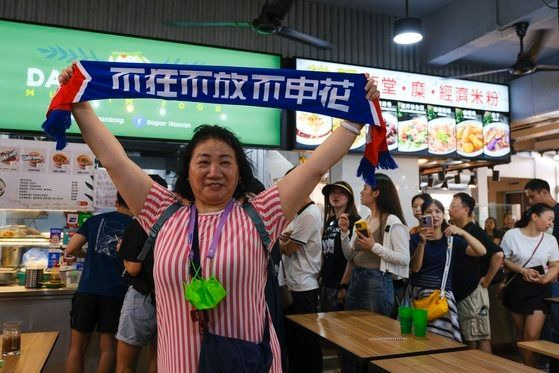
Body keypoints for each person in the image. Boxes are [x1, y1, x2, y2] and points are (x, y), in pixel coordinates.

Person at [58, 64, 380, 372]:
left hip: (246, 364)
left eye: (226, 162)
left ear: (239, 172)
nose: (214, 172)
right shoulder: (161, 210)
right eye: (204, 162)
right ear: (188, 171)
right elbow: (114, 159)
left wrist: (353, 122)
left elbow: (313, 167)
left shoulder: (261, 213)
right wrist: (80, 104)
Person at [64, 193, 133, 373]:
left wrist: (88, 255)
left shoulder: (95, 220)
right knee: (108, 348)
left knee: (76, 348)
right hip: (116, 293)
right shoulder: (137, 227)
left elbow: (70, 249)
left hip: (87, 289)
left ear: (116, 203)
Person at [409, 199, 486, 342]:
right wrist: (422, 243)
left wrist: (462, 232)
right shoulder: (414, 239)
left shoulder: (451, 240)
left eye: (438, 211)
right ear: (422, 216)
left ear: (443, 215)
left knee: (443, 341)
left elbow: (481, 251)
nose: (434, 215)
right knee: (417, 340)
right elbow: (415, 268)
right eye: (429, 212)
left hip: (442, 299)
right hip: (418, 296)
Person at [115, 175, 169, 373]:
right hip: (168, 298)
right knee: (158, 360)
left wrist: (122, 252)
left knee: (125, 365)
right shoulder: (174, 223)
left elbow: (133, 268)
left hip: (142, 297)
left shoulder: (138, 223)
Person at [340, 173, 410, 316]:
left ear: (376, 193)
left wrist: (373, 247)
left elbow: (404, 258)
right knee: (353, 326)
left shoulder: (392, 221)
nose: (361, 191)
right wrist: (344, 233)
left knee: (374, 328)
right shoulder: (364, 221)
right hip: (357, 277)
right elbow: (349, 255)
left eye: (365, 188)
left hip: (377, 280)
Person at [501, 203, 559, 367]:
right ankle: (528, 367)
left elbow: (555, 265)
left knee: (532, 334)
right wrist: (521, 270)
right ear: (534, 217)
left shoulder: (550, 239)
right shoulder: (512, 235)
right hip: (517, 286)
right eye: (549, 219)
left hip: (540, 288)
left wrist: (546, 279)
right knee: (521, 334)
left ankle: (531, 368)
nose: (551, 223)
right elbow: (503, 259)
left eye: (552, 220)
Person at [279, 171, 323, 373]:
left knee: (306, 343)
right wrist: (283, 238)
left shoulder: (309, 214)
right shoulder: (300, 213)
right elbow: (286, 241)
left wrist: (272, 238)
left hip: (304, 287)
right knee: (296, 342)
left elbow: (288, 248)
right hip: (295, 285)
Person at [449, 193, 504, 353]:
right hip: (464, 291)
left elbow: (498, 255)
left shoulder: (474, 230)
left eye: (454, 206)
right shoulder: (459, 230)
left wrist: (487, 280)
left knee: (478, 338)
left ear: (466, 210)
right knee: (470, 337)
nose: (450, 209)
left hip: (474, 292)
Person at [319, 181, 360, 312]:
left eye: (341, 192)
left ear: (349, 198)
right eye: (332, 192)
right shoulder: (330, 221)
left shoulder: (355, 221)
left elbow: (353, 258)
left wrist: (343, 285)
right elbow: (324, 253)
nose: (335, 195)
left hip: (342, 284)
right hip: (326, 282)